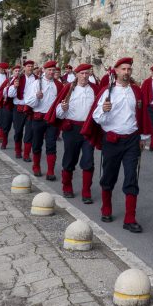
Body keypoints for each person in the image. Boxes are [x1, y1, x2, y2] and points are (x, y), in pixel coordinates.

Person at [81, 57, 151, 233]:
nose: (126, 72)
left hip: (132, 140)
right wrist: (103, 110)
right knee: (109, 176)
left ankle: (130, 218)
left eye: (129, 69)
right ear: (116, 71)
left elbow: (141, 115)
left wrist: (142, 137)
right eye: (123, 69)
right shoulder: (107, 91)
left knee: (131, 179)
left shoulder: (136, 91)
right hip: (112, 140)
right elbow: (97, 117)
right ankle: (106, 208)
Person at [54, 63, 97, 202]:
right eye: (82, 73)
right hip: (72, 129)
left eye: (87, 73)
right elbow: (58, 114)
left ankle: (86, 192)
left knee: (88, 161)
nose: (84, 76)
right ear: (77, 74)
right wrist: (63, 108)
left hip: (88, 129)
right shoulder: (68, 89)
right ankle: (67, 186)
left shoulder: (95, 89)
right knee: (70, 158)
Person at [28, 61, 62, 180]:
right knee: (37, 143)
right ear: (44, 70)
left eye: (53, 70)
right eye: (49, 70)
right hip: (38, 118)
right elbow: (29, 101)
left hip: (52, 119)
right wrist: (36, 97)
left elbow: (60, 103)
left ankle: (50, 171)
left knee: (51, 145)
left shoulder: (58, 85)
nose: (51, 72)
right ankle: (36, 166)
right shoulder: (36, 83)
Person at [7, 59, 36, 159]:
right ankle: (18, 150)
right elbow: (10, 94)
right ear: (24, 68)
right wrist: (14, 87)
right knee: (18, 131)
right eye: (28, 66)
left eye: (32, 66)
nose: (30, 68)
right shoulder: (17, 78)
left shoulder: (37, 79)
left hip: (30, 109)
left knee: (29, 132)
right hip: (19, 108)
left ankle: (26, 154)